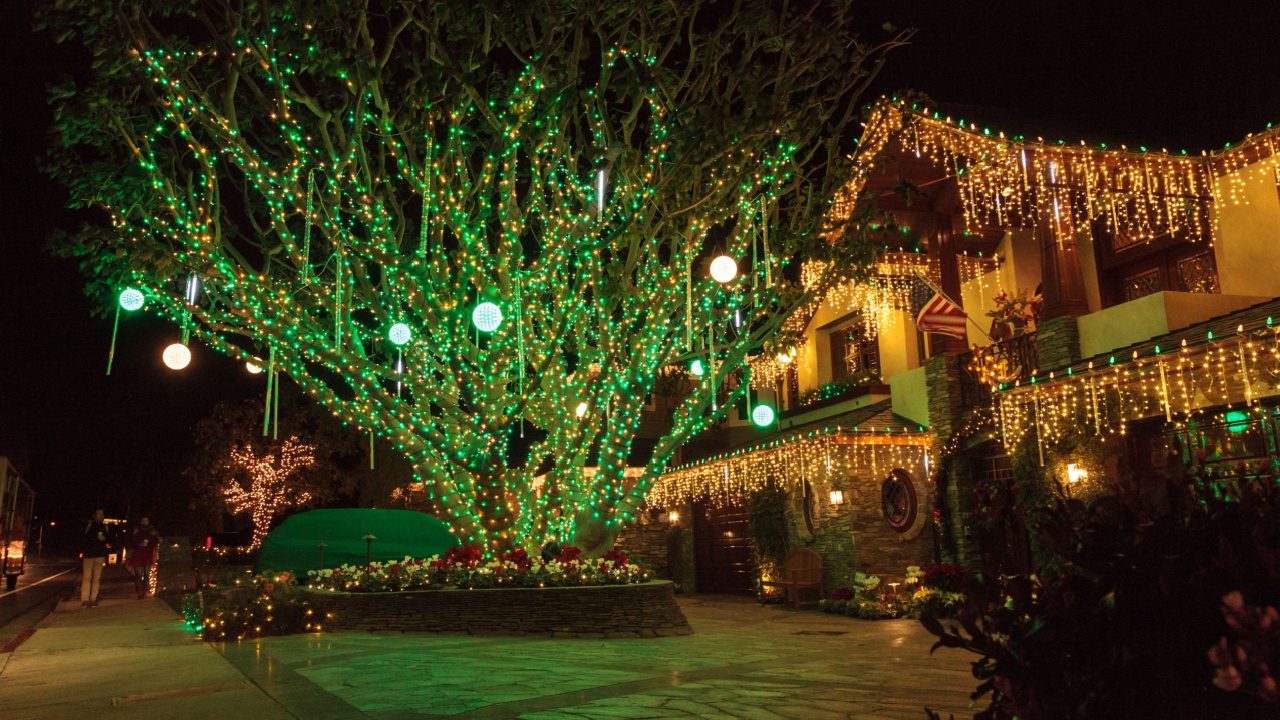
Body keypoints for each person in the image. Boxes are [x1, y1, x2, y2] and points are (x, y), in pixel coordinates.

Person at [80, 509, 109, 607]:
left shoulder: (104, 526)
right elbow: (82, 537)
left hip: (100, 555)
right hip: (88, 555)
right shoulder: (89, 525)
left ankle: (93, 599)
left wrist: (105, 539)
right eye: (99, 514)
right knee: (87, 577)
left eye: (102, 514)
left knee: (96, 578)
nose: (101, 516)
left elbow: (109, 539)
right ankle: (85, 599)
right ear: (94, 515)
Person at [127, 517, 160, 599]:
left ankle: (144, 592)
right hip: (138, 553)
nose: (145, 522)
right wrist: (139, 543)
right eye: (143, 520)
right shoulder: (137, 530)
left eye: (146, 520)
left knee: (146, 574)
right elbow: (132, 541)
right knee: (138, 575)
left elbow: (156, 541)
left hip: (147, 554)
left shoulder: (153, 530)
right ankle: (140, 593)